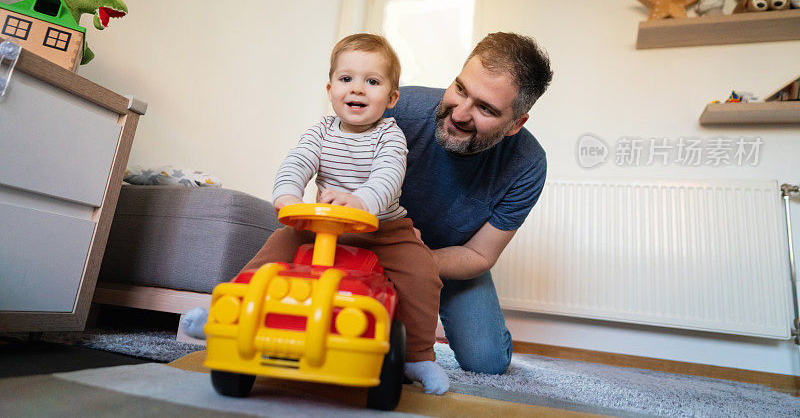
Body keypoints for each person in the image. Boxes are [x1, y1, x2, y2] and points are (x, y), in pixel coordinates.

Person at [184, 33, 449, 395]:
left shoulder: (390, 135)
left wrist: (361, 200)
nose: (357, 89)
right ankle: (227, 316)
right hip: (319, 225)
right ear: (330, 89)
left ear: (391, 98)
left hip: (384, 229)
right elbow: (297, 162)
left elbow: (389, 176)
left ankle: (418, 356)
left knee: (422, 272)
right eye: (346, 79)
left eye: (372, 81)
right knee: (273, 251)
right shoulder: (320, 131)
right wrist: (287, 194)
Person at [384, 31, 553, 375]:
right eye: (460, 89)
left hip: (451, 257)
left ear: (515, 124)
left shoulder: (528, 164)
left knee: (487, 362)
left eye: (486, 108)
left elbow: (479, 255)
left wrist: (415, 262)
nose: (459, 114)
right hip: (376, 244)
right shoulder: (397, 112)